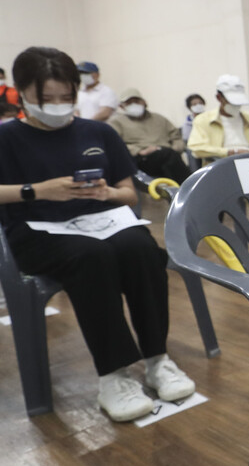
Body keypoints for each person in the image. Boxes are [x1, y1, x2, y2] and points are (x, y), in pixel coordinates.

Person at [0, 47, 195, 422]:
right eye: (46, 99)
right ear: (22, 93)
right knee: (92, 257)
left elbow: (127, 193)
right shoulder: (7, 139)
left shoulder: (98, 132)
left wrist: (106, 193)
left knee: (141, 247)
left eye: (66, 97)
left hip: (101, 222)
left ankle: (158, 359)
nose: (57, 106)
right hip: (37, 231)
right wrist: (38, 190)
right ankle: (114, 375)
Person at [187, 75, 249, 159]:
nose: (235, 106)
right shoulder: (204, 120)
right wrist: (230, 152)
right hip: (222, 166)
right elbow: (196, 147)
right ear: (219, 98)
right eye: (231, 102)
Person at [108, 88, 190, 184]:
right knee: (168, 157)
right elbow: (115, 145)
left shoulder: (159, 119)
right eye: (129, 103)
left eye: (136, 101)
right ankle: (188, 187)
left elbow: (176, 137)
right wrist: (139, 151)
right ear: (121, 106)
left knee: (169, 156)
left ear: (144, 102)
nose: (134, 105)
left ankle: (181, 188)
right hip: (140, 158)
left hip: (167, 154)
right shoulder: (116, 122)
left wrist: (173, 148)